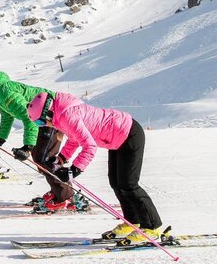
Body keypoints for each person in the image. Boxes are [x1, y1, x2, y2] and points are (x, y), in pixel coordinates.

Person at [27, 91, 162, 243]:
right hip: (117, 140)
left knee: (129, 184)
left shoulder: (67, 116)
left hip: (129, 134)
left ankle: (151, 228)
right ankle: (133, 222)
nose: (43, 125)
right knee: (116, 183)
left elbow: (90, 147)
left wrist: (73, 171)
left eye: (40, 121)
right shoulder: (62, 116)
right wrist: (60, 158)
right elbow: (74, 139)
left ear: (48, 112)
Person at [0, 64, 81, 213]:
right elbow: (7, 115)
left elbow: (28, 119)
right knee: (40, 157)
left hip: (51, 117)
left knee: (44, 159)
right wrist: (1, 138)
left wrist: (27, 146)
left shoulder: (6, 92)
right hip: (41, 120)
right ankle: (58, 192)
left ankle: (66, 197)